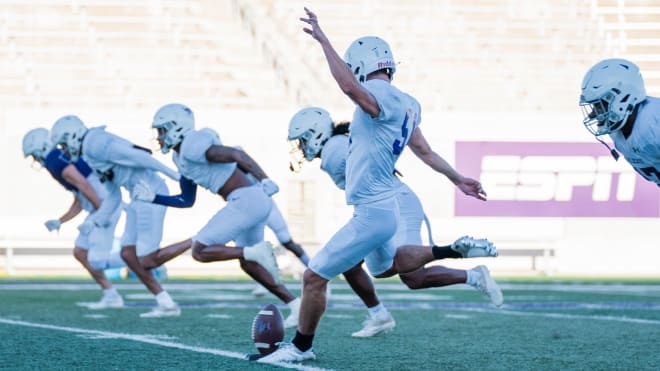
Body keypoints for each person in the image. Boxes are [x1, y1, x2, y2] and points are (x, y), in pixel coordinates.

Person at [259, 8, 499, 363]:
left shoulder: (375, 95)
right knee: (394, 271)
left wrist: (324, 41)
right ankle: (450, 256)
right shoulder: (407, 103)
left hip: (376, 207)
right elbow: (424, 151)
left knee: (314, 277)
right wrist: (456, 178)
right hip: (380, 205)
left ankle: (300, 348)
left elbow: (348, 87)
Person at [286, 107, 503, 337]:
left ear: (315, 133)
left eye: (302, 140)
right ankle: (380, 315)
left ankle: (463, 265)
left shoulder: (332, 151)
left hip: (394, 205)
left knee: (407, 275)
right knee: (356, 264)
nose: (300, 146)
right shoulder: (340, 143)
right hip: (382, 204)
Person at [132, 103, 301, 328]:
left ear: (176, 128)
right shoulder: (179, 156)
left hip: (247, 199)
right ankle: (295, 305)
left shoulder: (193, 144)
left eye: (162, 131)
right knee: (249, 264)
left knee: (200, 251)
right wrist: (154, 198)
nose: (159, 137)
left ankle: (257, 251)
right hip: (249, 201)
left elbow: (236, 154)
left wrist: (264, 178)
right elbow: (187, 200)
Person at [50, 115, 192, 318]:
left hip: (150, 192)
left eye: (64, 144)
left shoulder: (95, 143)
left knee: (147, 259)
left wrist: (176, 176)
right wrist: (96, 220)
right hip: (137, 195)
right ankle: (166, 303)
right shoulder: (89, 153)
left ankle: (196, 241)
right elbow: (113, 195)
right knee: (128, 254)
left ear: (72, 136)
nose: (64, 150)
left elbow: (138, 156)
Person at [22, 128, 124, 309]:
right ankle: (111, 294)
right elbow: (80, 197)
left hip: (105, 207)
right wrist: (61, 220)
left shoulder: (55, 160)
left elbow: (85, 185)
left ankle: (140, 259)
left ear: (41, 148)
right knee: (80, 253)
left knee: (96, 259)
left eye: (34, 155)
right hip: (100, 208)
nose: (35, 160)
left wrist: (101, 213)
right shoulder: (58, 160)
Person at [580, 58, 660, 186]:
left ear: (623, 98)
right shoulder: (619, 134)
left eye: (599, 106)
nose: (593, 114)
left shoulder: (654, 121)